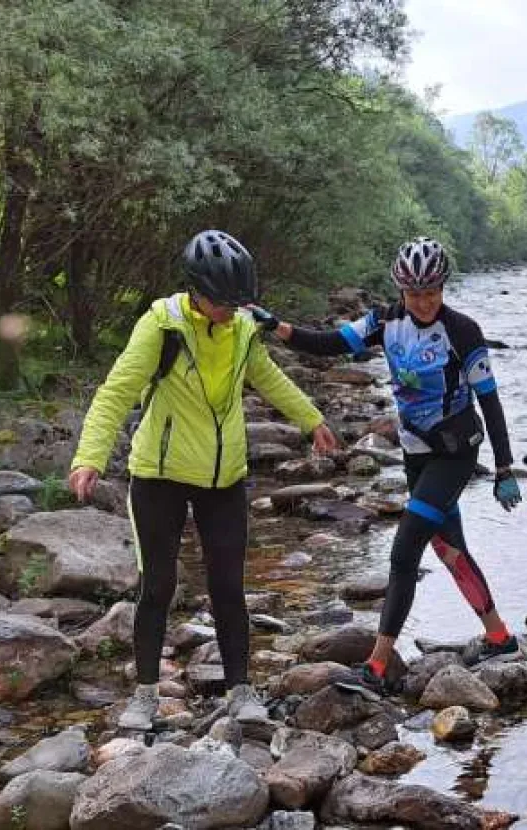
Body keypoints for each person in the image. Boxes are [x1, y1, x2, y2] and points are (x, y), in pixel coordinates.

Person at [67, 229, 337, 729]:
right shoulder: (162, 328)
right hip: (159, 476)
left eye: (238, 301)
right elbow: (115, 392)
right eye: (222, 302)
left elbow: (268, 377)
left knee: (229, 587)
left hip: (224, 478)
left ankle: (240, 690)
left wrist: (311, 418)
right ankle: (145, 695)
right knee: (159, 585)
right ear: (196, 289)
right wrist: (90, 458)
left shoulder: (242, 329)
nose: (230, 311)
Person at [250, 237, 523, 697]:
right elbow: (331, 343)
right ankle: (500, 638)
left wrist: (504, 468)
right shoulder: (384, 321)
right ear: (401, 290)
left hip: (456, 454)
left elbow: (490, 402)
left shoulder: (463, 331)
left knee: (403, 552)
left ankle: (375, 667)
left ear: (442, 286)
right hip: (416, 454)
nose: (423, 301)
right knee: (449, 550)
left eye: (431, 292)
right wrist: (279, 328)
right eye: (414, 293)